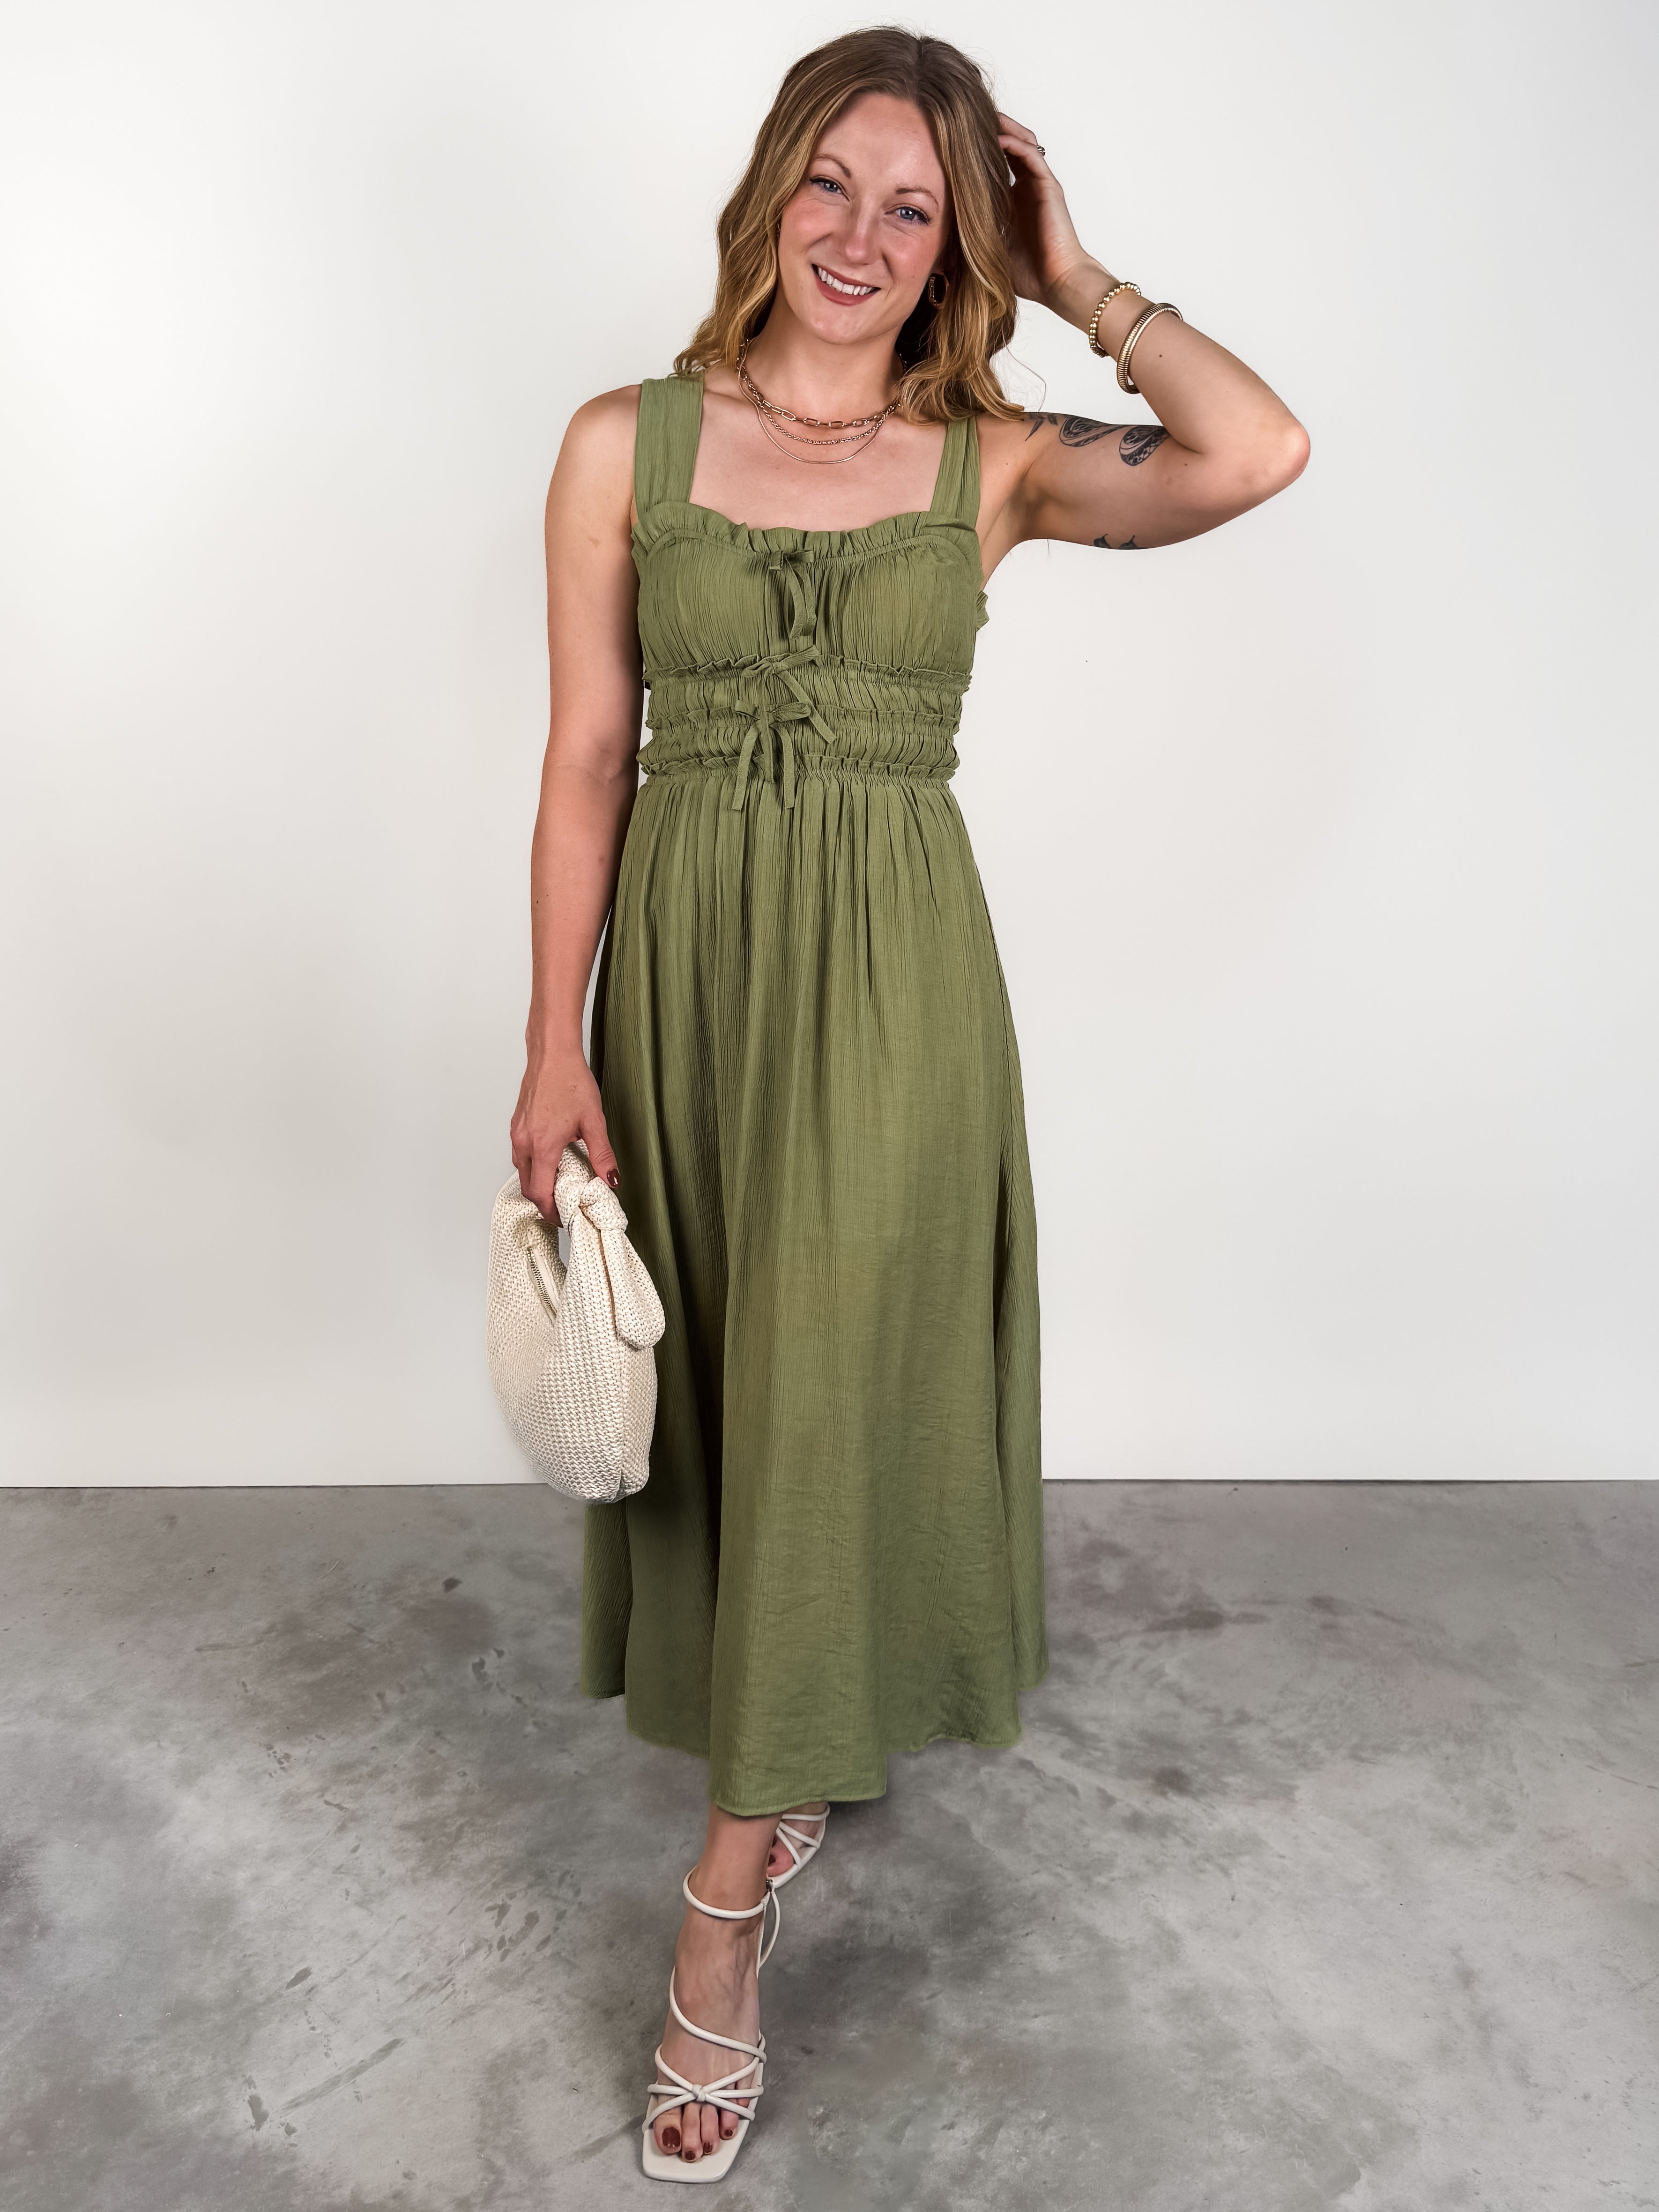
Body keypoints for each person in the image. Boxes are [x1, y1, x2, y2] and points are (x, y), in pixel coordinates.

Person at [511, 25, 1308, 2180]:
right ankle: (790, 1743)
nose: (861, 237)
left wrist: (1080, 277)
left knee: (839, 1376)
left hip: (889, 1000)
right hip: (685, 991)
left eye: (916, 207)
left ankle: (720, 1918)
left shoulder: (997, 460)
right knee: (734, 1398)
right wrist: (553, 1041)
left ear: (964, 241)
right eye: (833, 182)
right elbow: (584, 761)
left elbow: (1254, 448)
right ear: (770, 182)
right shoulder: (621, 442)